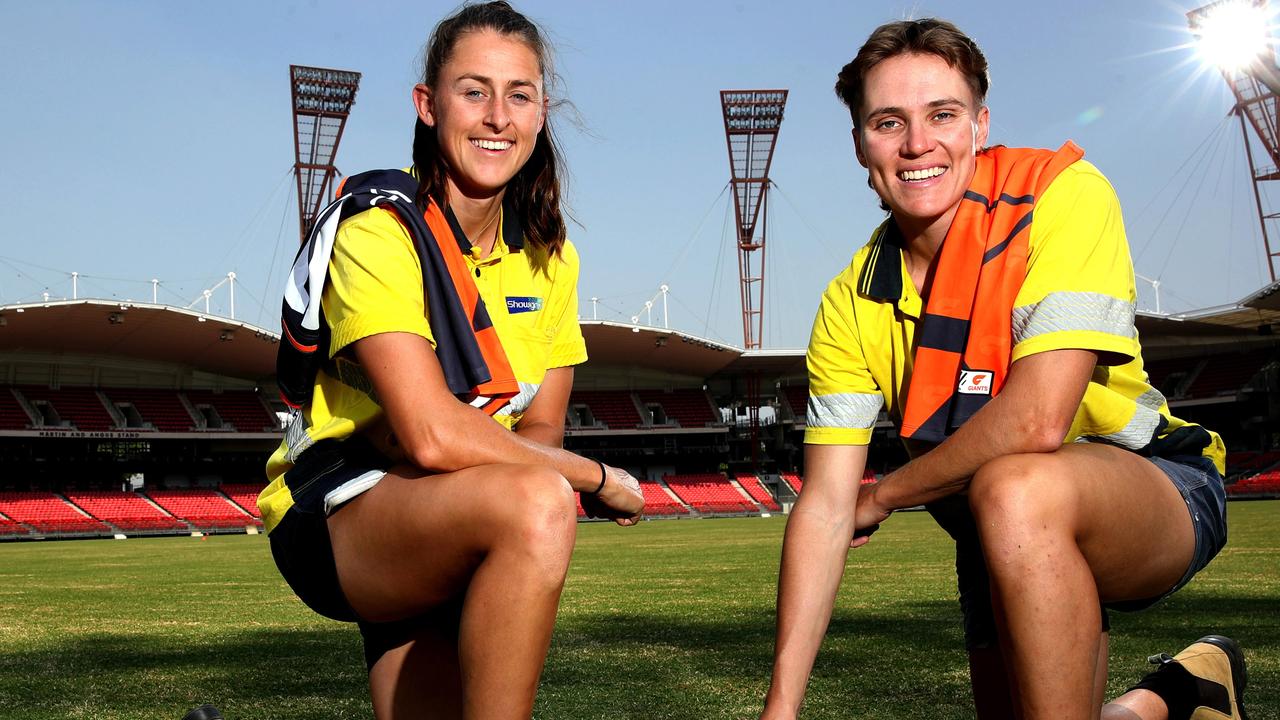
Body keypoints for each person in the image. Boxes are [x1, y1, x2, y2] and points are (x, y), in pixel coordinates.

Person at [761, 18, 1246, 720]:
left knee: (1018, 484)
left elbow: (1039, 419)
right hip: (989, 527)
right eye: (888, 122)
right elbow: (827, 505)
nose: (917, 143)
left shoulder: (1062, 195)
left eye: (942, 115)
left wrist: (885, 493)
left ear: (980, 125)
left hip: (1156, 486)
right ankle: (1178, 694)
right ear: (860, 143)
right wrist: (780, 708)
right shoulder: (850, 297)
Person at [257, 3, 645, 718]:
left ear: (540, 113)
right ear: (428, 106)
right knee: (540, 501)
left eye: (518, 95)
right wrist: (598, 478)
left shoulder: (552, 260)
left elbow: (540, 435)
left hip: (453, 506)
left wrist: (534, 474)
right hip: (336, 512)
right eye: (474, 91)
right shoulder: (380, 231)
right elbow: (431, 433)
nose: (498, 116)